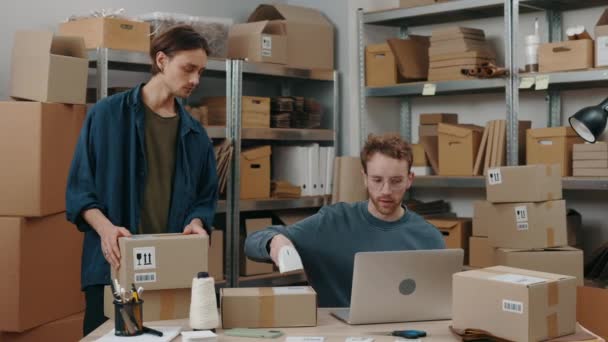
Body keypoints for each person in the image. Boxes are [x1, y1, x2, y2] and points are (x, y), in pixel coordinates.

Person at [66, 25, 218, 335]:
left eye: (200, 71)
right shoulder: (106, 115)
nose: (195, 81)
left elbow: (205, 198)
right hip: (113, 266)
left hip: (170, 271)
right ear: (162, 60)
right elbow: (80, 191)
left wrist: (198, 222)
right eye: (189, 69)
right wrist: (106, 229)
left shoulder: (196, 134)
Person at [245, 133, 444, 307]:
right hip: (338, 334)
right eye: (377, 180)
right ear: (364, 177)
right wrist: (276, 241)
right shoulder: (332, 222)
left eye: (396, 181)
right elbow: (252, 242)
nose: (385, 191)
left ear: (410, 179)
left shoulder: (429, 237)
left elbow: (439, 302)